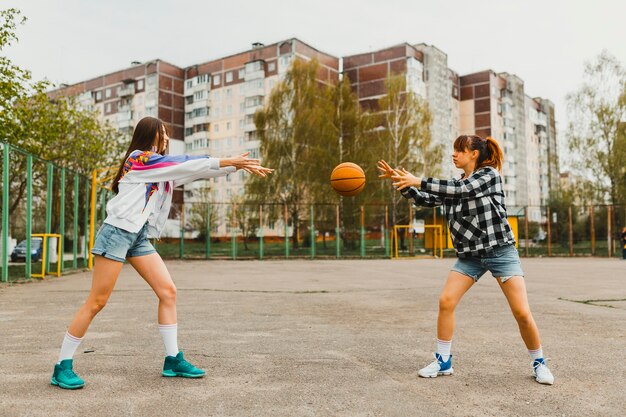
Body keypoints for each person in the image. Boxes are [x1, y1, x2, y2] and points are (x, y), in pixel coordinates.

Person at [51, 117, 273, 389]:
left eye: (167, 133)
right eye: (162, 133)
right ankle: (62, 366)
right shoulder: (139, 160)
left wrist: (235, 167)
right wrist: (227, 160)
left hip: (138, 236)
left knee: (168, 292)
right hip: (117, 232)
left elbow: (192, 170)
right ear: (149, 135)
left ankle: (172, 360)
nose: (166, 137)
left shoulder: (162, 170)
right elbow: (184, 162)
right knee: (97, 302)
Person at [377, 135, 554, 385]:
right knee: (446, 301)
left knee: (522, 313)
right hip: (470, 256)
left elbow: (464, 190)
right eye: (454, 150)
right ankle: (443, 361)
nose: (454, 154)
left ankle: (539, 363)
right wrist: (404, 184)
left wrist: (418, 179)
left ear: (474, 154)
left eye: (460, 150)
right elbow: (425, 199)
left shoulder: (489, 176)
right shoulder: (453, 183)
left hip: (500, 251)